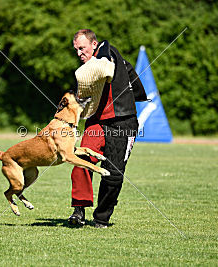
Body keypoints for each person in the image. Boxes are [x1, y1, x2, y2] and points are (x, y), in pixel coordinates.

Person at [69, 29, 147, 228]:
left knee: (113, 173)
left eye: (82, 48)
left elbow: (106, 53)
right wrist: (139, 93)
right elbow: (129, 70)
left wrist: (136, 97)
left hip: (123, 121)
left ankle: (101, 218)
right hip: (97, 122)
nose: (79, 53)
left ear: (93, 44)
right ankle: (78, 211)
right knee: (81, 161)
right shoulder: (89, 68)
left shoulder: (106, 50)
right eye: (76, 50)